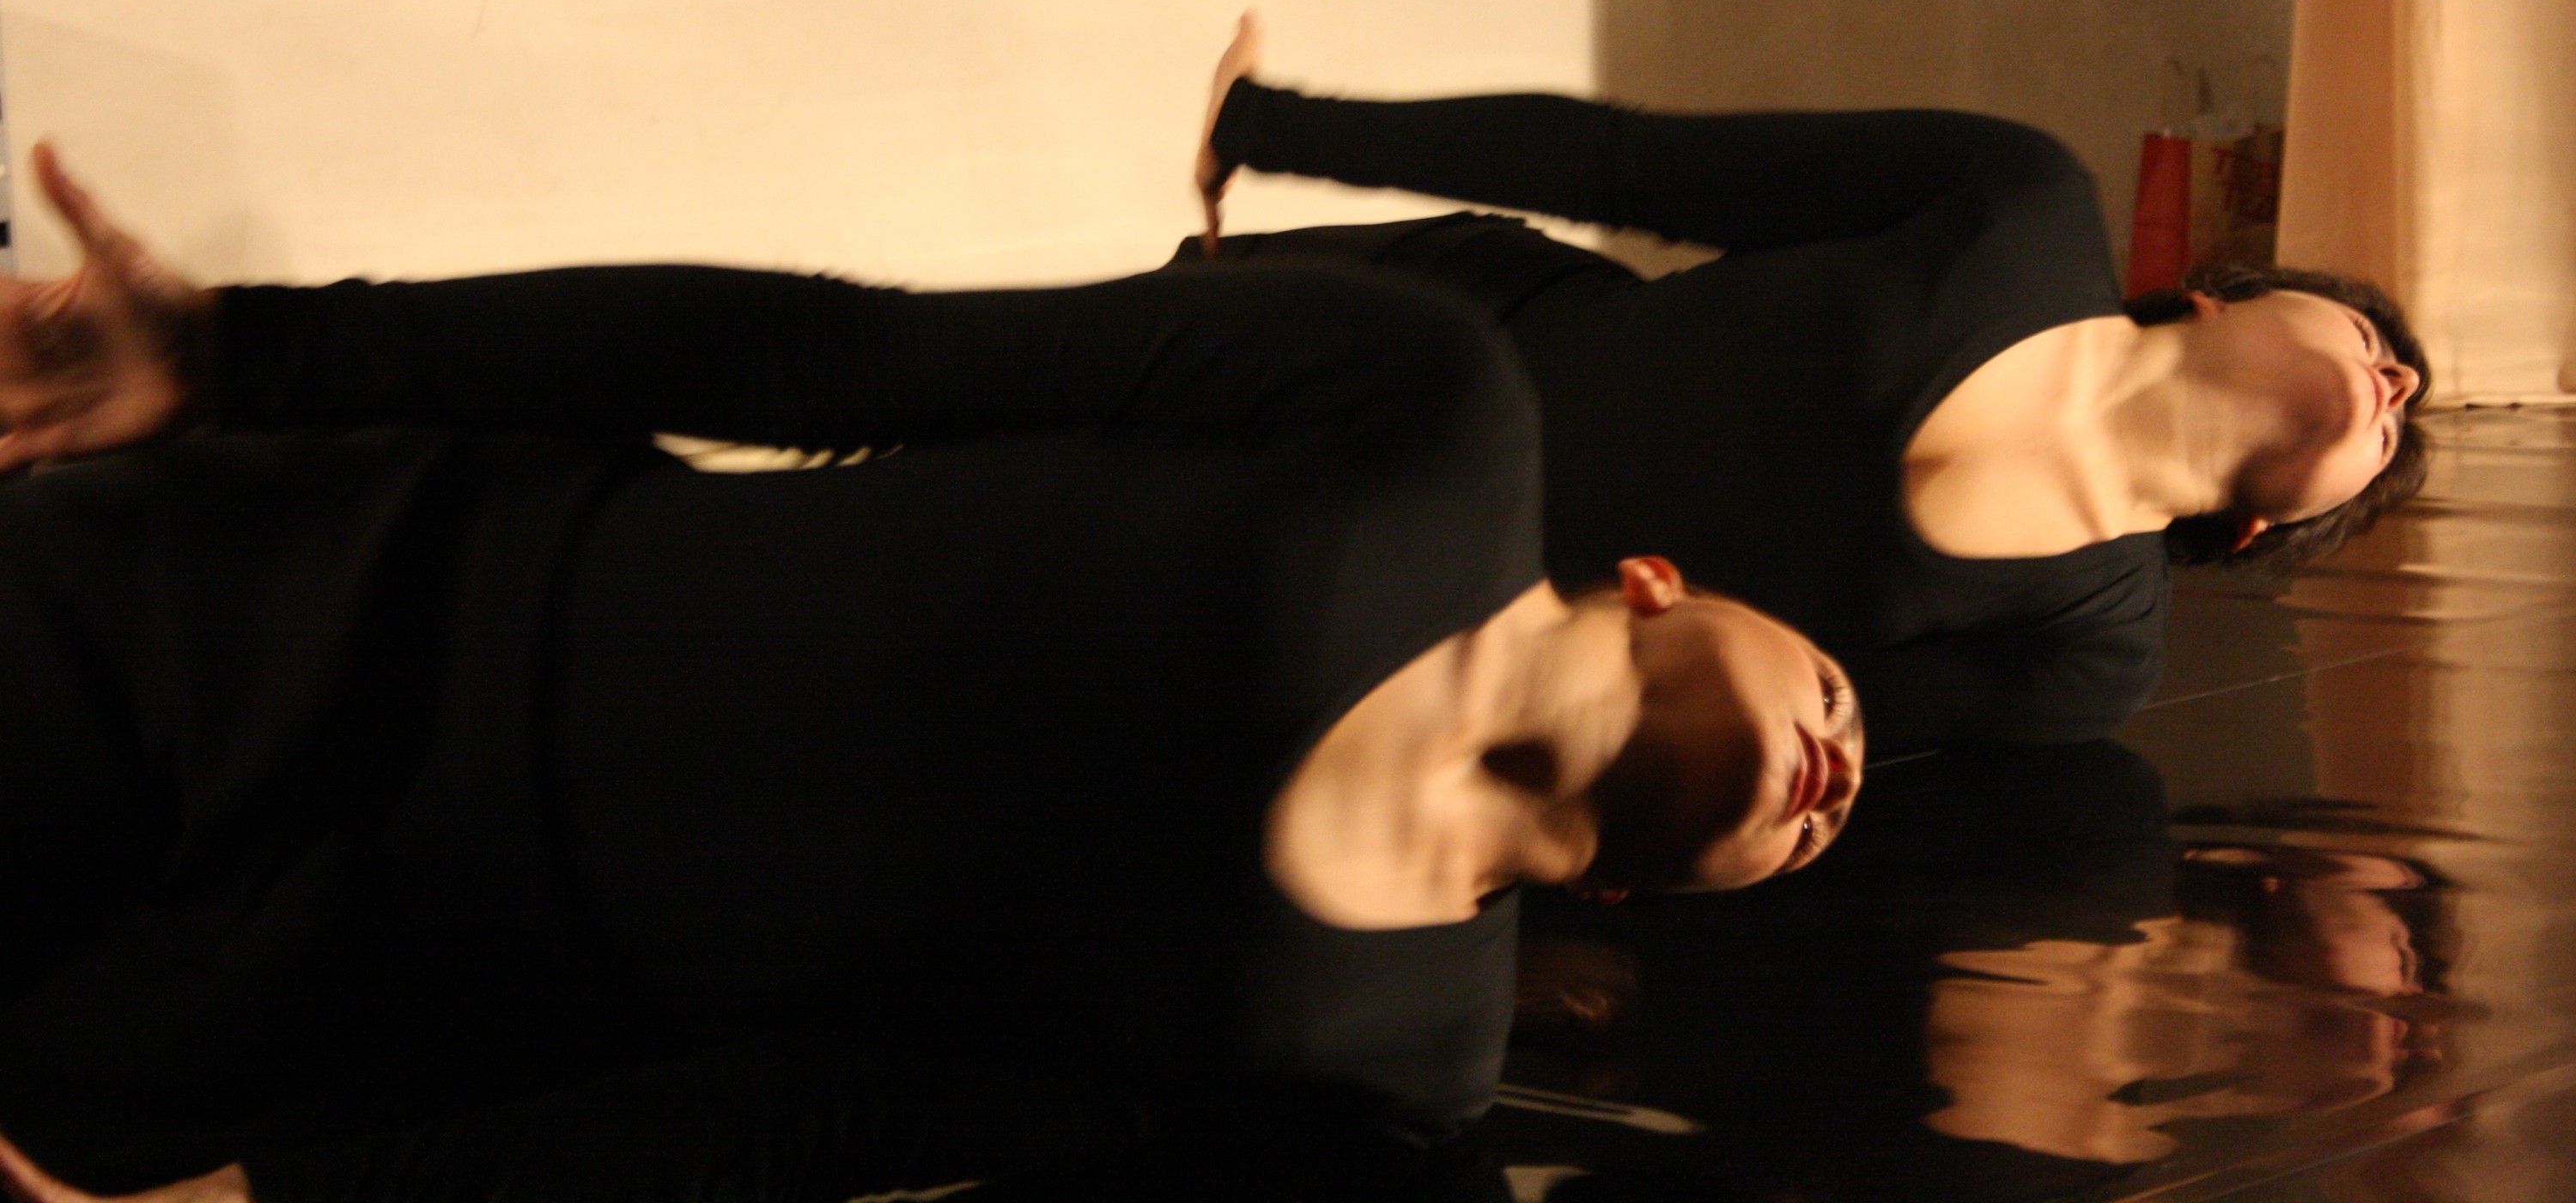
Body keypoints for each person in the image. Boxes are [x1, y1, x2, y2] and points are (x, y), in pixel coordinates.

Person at [0, 148, 1859, 1202]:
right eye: (1842, 695)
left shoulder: (1396, 1074)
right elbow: (817, 356)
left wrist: (282, 1201)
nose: (1840, 769)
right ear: (1654, 580)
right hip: (321, 606)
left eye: (1830, 818)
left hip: (325, 1005)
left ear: (1631, 899)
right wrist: (248, 354)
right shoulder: (1432, 414)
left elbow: (808, 1118)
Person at [1189, 15, 2431, 752]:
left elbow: (1720, 745)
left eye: (2395, 434)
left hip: (1390, 611)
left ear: (2259, 529)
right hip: (1424, 333)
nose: (2403, 378)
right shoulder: (2019, 201)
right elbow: (1630, 163)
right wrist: (1274, 126)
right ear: (2214, 295)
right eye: (2370, 330)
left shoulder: (2092, 653)